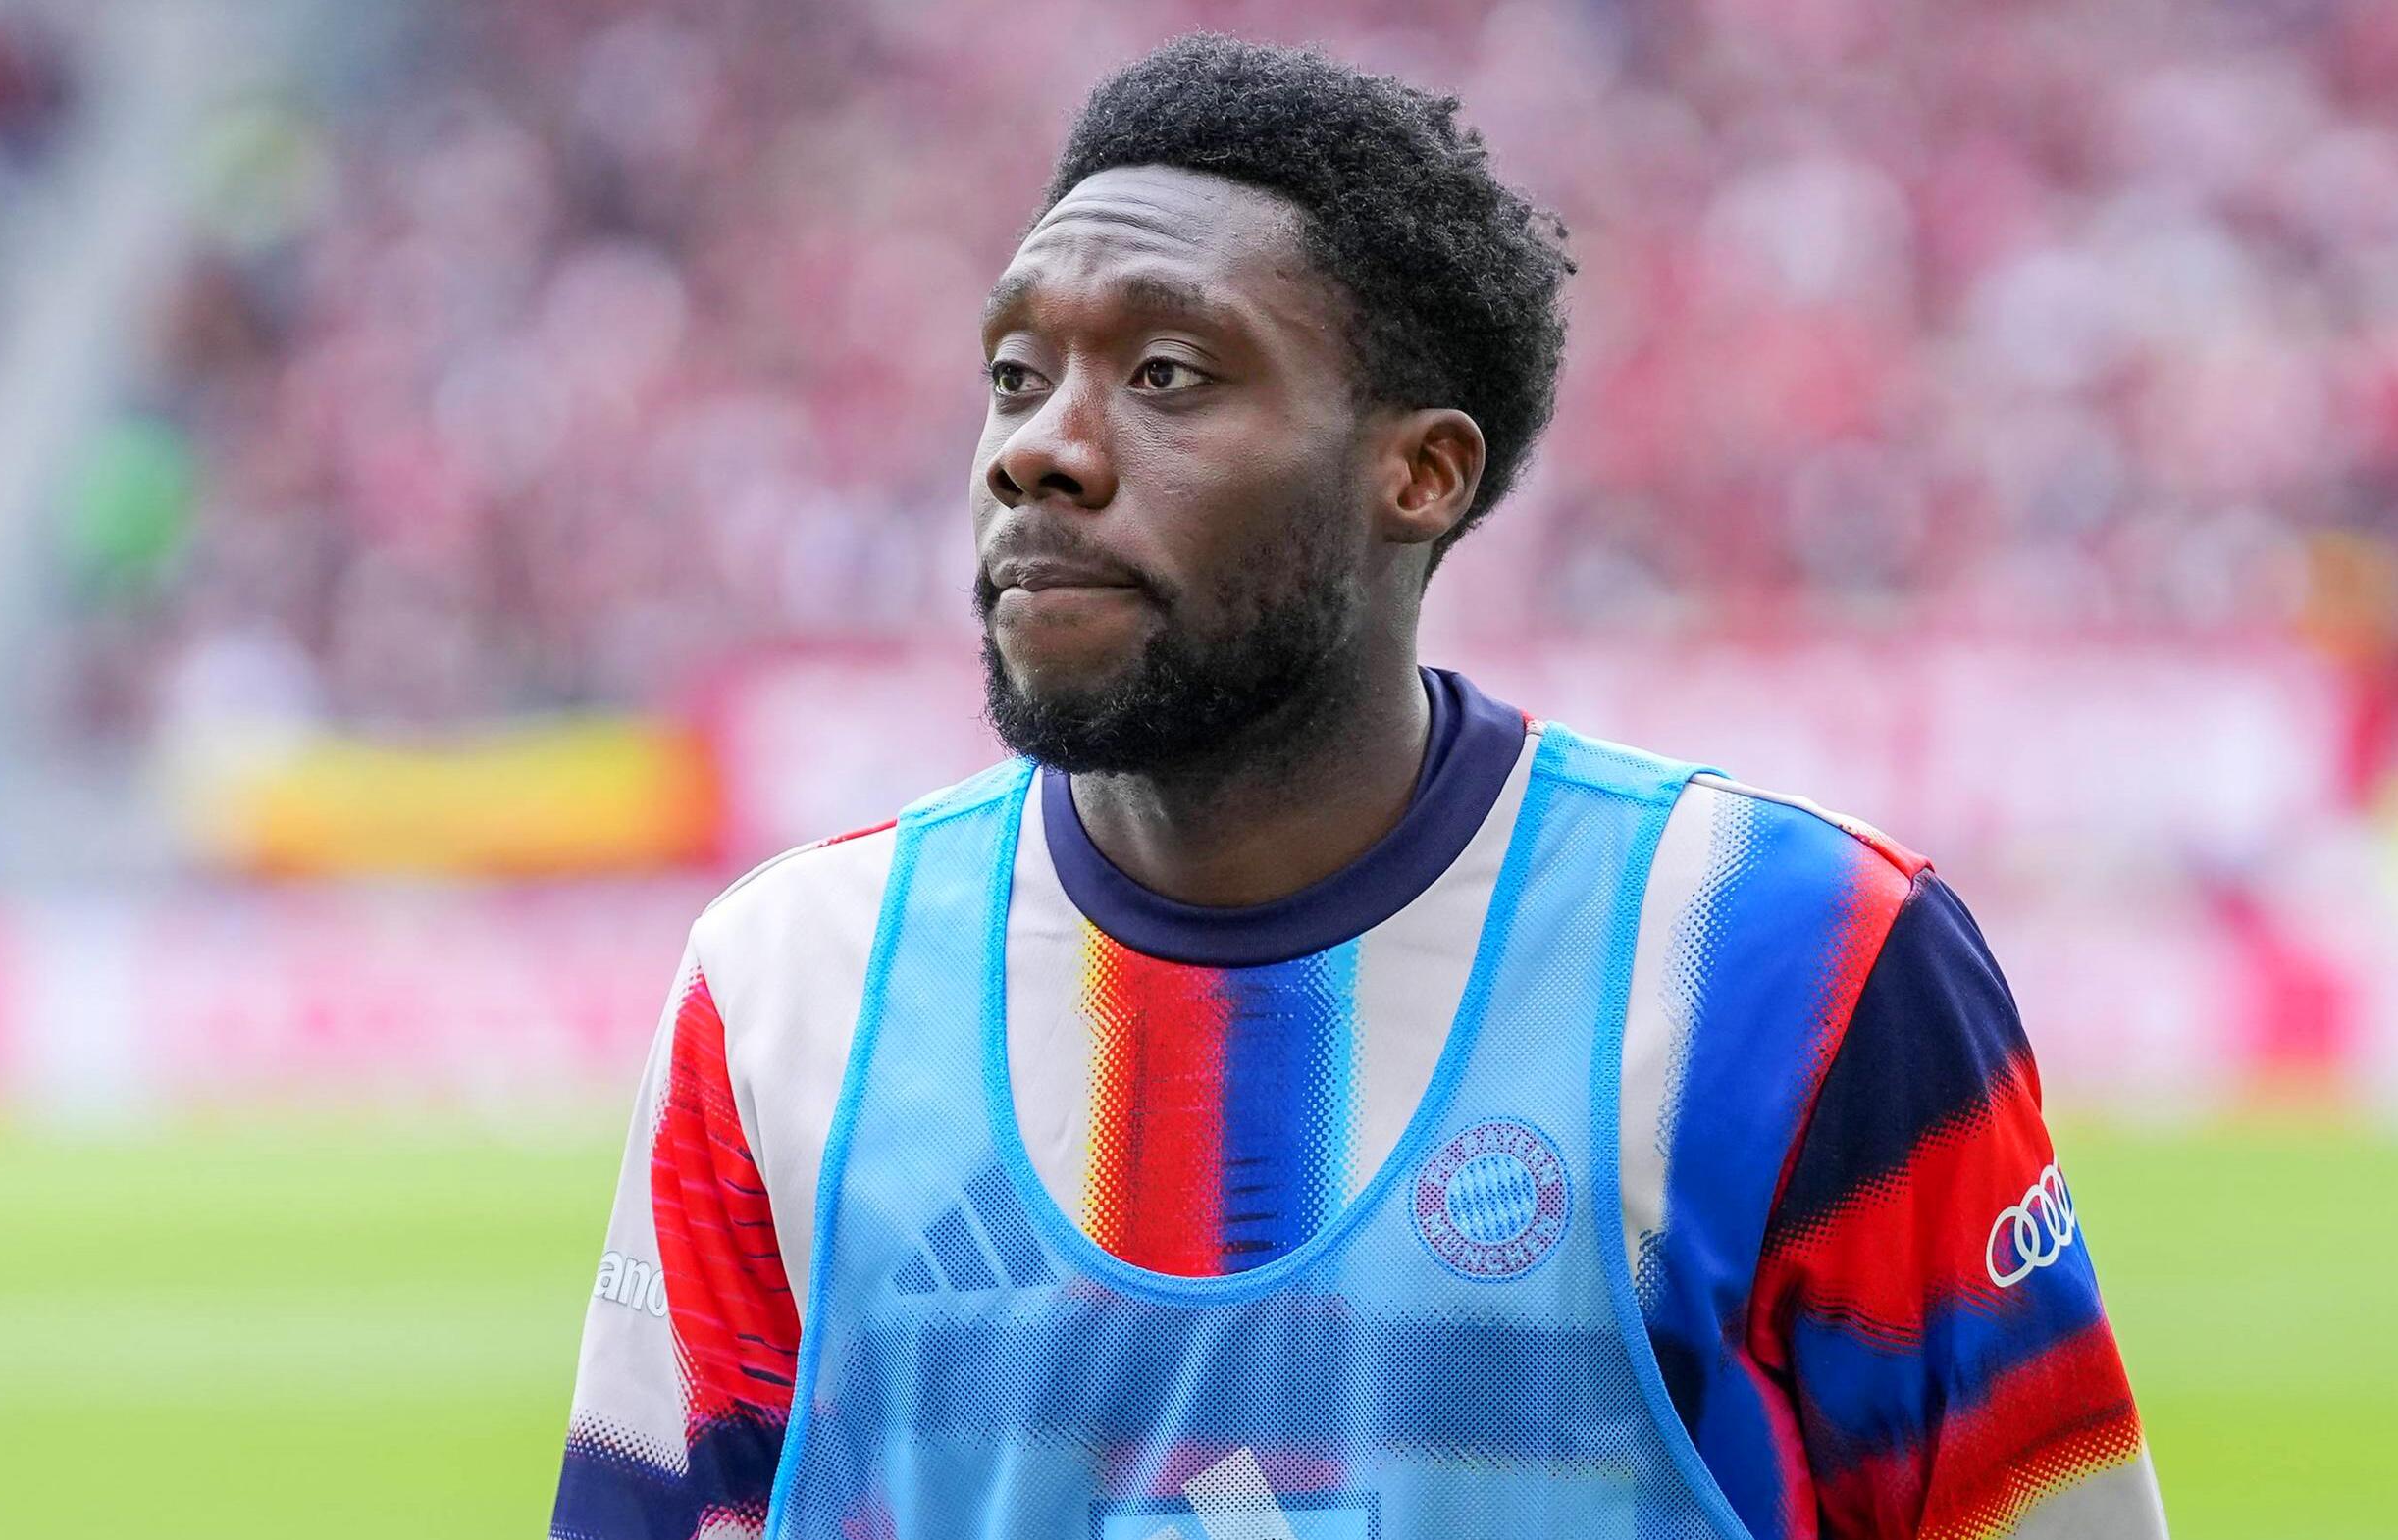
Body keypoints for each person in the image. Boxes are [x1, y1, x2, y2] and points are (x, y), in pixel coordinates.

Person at [550, 34, 2165, 1540]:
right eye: (1017, 372)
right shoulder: (785, 989)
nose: (1038, 448)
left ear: (1421, 471)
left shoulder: (1791, 960)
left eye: (1167, 373)